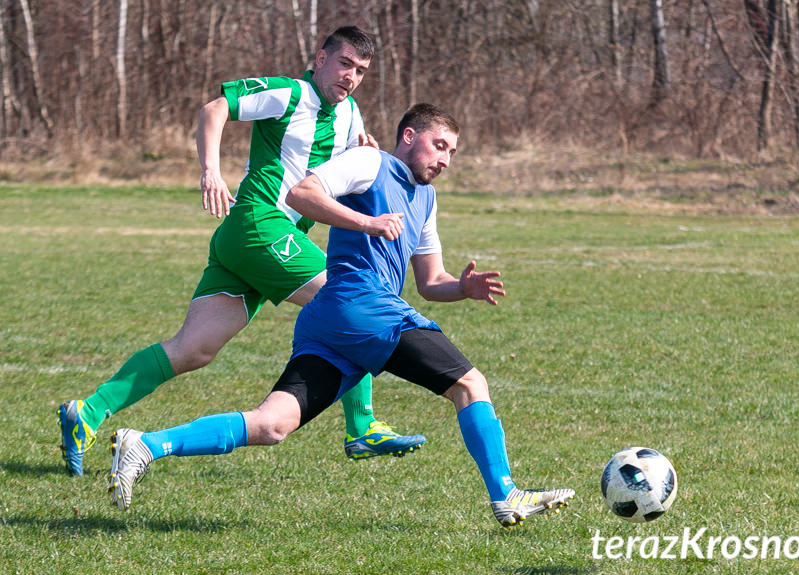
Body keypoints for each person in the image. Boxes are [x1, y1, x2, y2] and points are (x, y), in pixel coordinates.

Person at [108, 103, 574, 527]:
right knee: (470, 385)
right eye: (439, 145)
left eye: (452, 151)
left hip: (332, 322)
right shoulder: (371, 163)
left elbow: (431, 281)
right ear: (409, 136)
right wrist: (366, 222)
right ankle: (506, 494)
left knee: (272, 425)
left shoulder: (425, 199)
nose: (446, 160)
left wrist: (463, 288)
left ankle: (147, 444)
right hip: (364, 308)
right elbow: (301, 193)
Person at [57, 26, 424, 477]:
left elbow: (345, 175)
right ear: (320, 57)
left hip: (260, 242)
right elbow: (214, 110)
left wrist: (366, 152)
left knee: (194, 349)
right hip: (258, 224)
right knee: (347, 300)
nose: (351, 76)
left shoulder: (350, 115)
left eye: (361, 70)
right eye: (345, 63)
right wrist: (211, 171)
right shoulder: (289, 92)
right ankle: (362, 427)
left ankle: (88, 413)